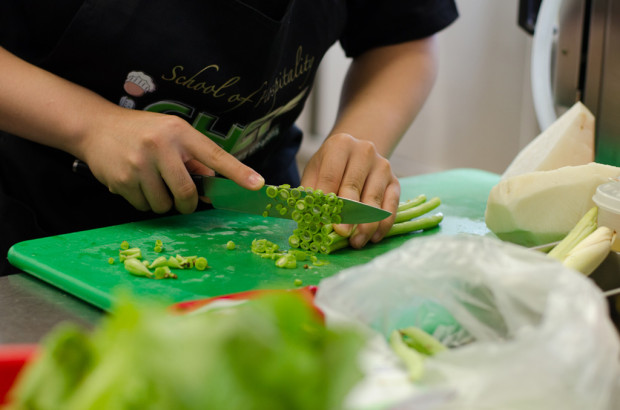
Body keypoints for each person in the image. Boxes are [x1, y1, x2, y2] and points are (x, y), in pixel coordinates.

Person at [0, 1, 458, 275]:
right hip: (31, 218)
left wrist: (355, 144)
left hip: (254, 219)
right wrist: (89, 124)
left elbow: (403, 41)